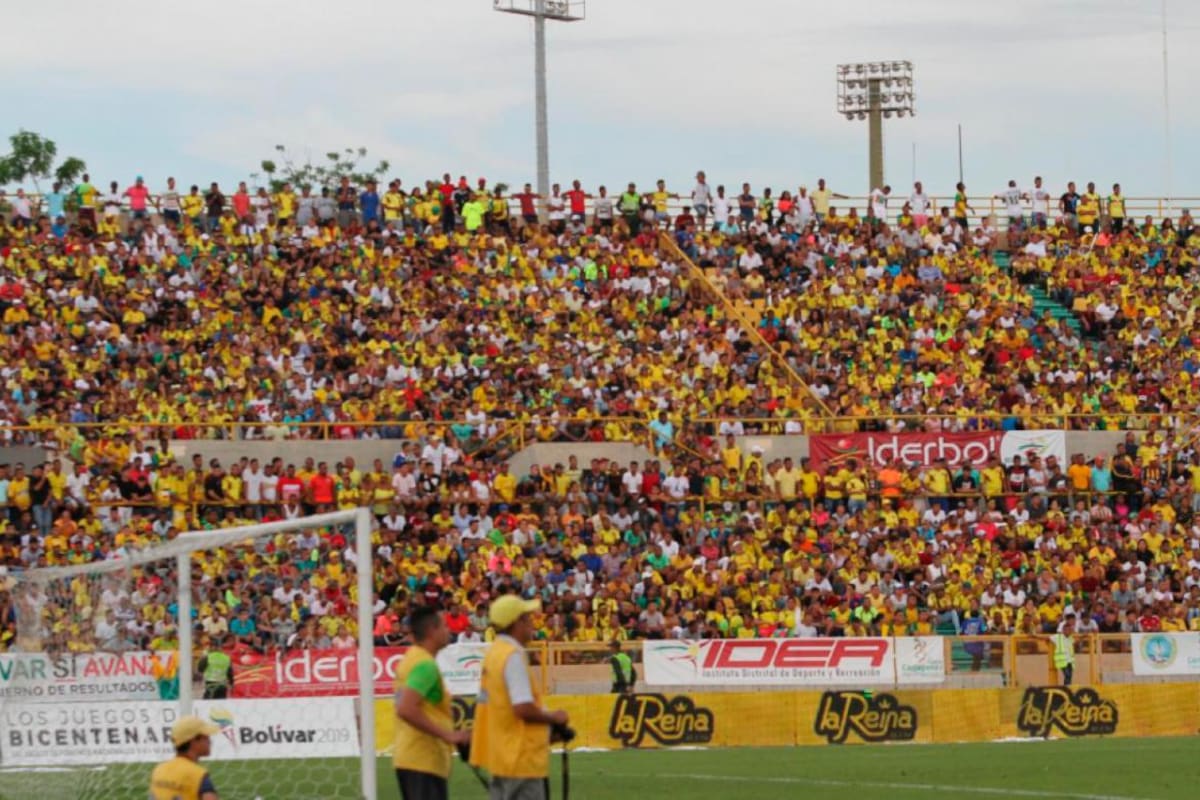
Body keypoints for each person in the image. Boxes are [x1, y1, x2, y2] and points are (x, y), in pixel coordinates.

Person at [470, 595, 568, 800]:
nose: (532, 623)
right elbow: (522, 708)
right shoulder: (512, 655)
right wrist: (554, 718)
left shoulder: (494, 653)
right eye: (528, 618)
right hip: (521, 760)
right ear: (517, 622)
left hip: (501, 756)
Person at [393, 606, 470, 800]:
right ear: (431, 631)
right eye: (444, 626)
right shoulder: (425, 665)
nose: (448, 630)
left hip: (412, 757)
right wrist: (448, 735)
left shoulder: (411, 658)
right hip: (423, 759)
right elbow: (406, 708)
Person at [148, 716, 221, 800]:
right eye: (206, 737)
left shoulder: (159, 769)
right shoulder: (197, 775)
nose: (209, 741)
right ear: (194, 741)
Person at [1051, 613, 1076, 686]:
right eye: (1066, 630)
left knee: (1069, 676)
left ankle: (1067, 688)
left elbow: (1077, 641)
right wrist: (1035, 636)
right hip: (1063, 661)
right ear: (1063, 630)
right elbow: (1046, 638)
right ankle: (1066, 688)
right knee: (1067, 675)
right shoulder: (1058, 637)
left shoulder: (1071, 638)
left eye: (1069, 630)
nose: (1068, 631)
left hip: (1070, 661)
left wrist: (1084, 636)